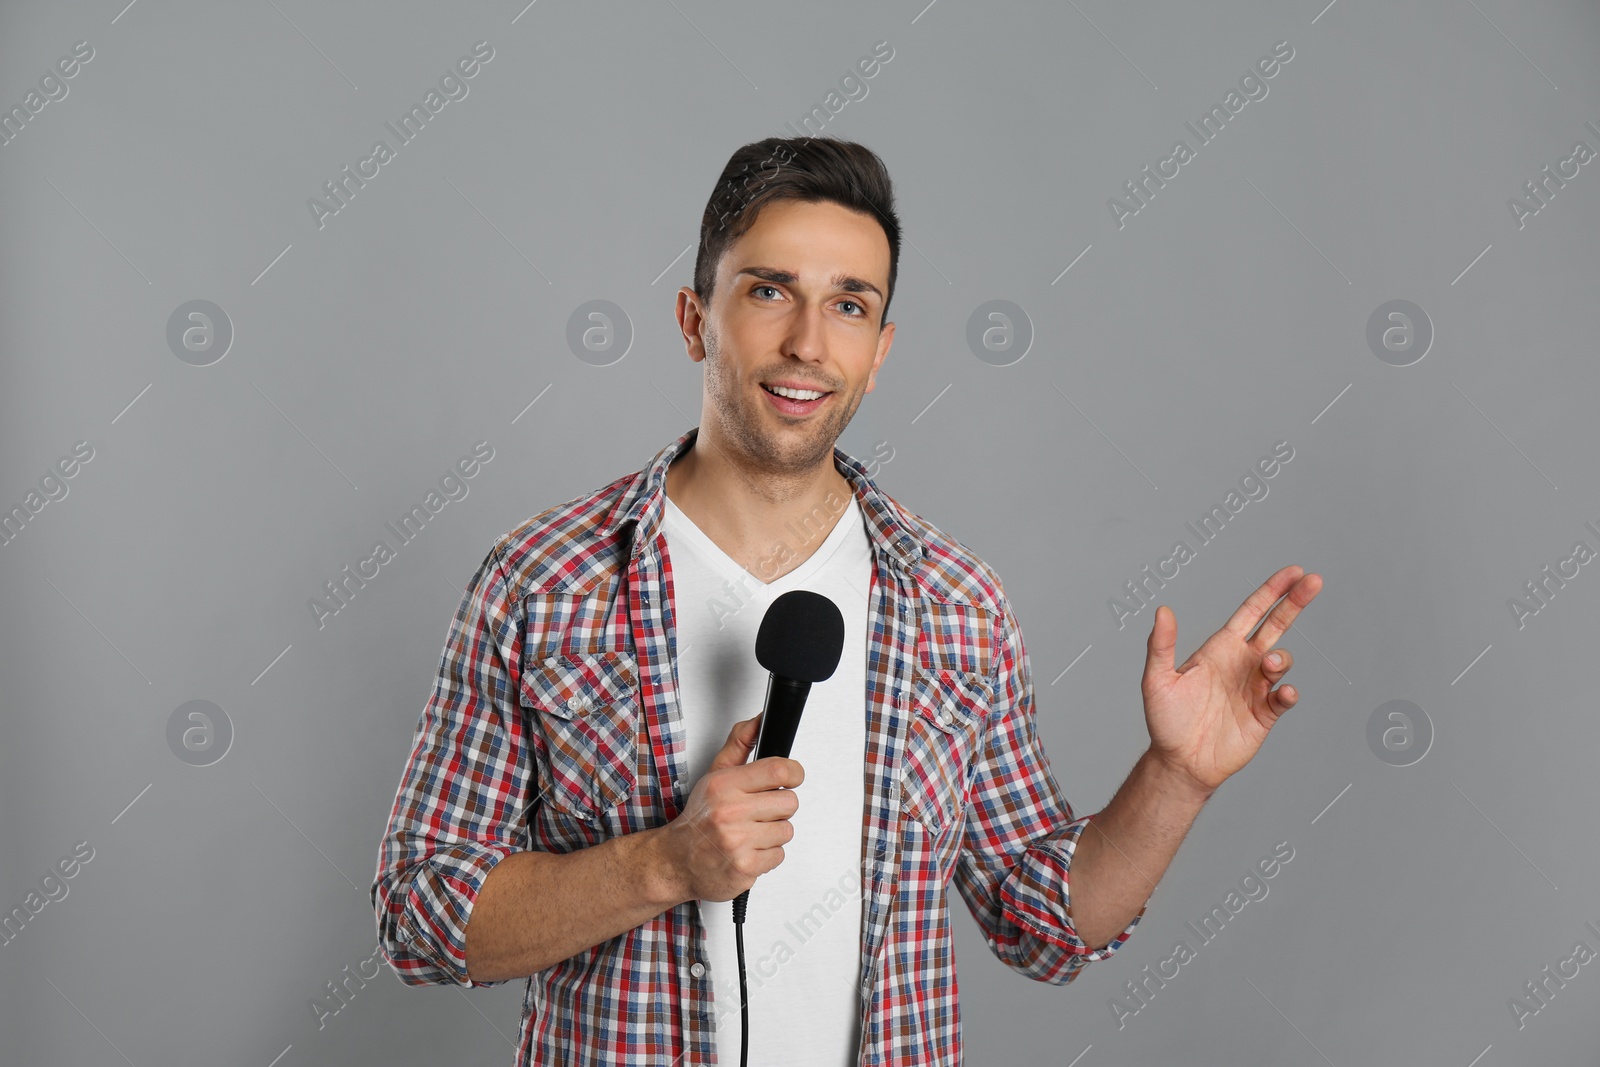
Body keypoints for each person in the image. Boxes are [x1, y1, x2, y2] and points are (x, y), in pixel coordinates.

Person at [370, 136, 1323, 1066]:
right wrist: (664, 864)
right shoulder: (543, 579)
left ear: (880, 350)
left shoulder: (956, 602)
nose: (807, 344)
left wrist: (1176, 778)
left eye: (850, 305)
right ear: (695, 317)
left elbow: (1045, 925)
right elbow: (419, 915)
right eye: (769, 290)